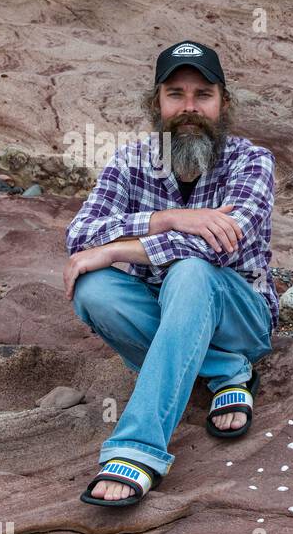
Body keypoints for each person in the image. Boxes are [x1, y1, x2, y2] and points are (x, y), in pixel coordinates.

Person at [63, 41, 277, 507]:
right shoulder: (130, 162)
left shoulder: (252, 162)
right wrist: (166, 219)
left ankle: (138, 449)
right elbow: (80, 236)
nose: (189, 108)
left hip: (241, 317)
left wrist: (116, 250)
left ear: (223, 104)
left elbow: (220, 243)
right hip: (166, 312)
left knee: (192, 271)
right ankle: (226, 372)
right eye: (175, 94)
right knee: (93, 287)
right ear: (157, 104)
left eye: (203, 94)